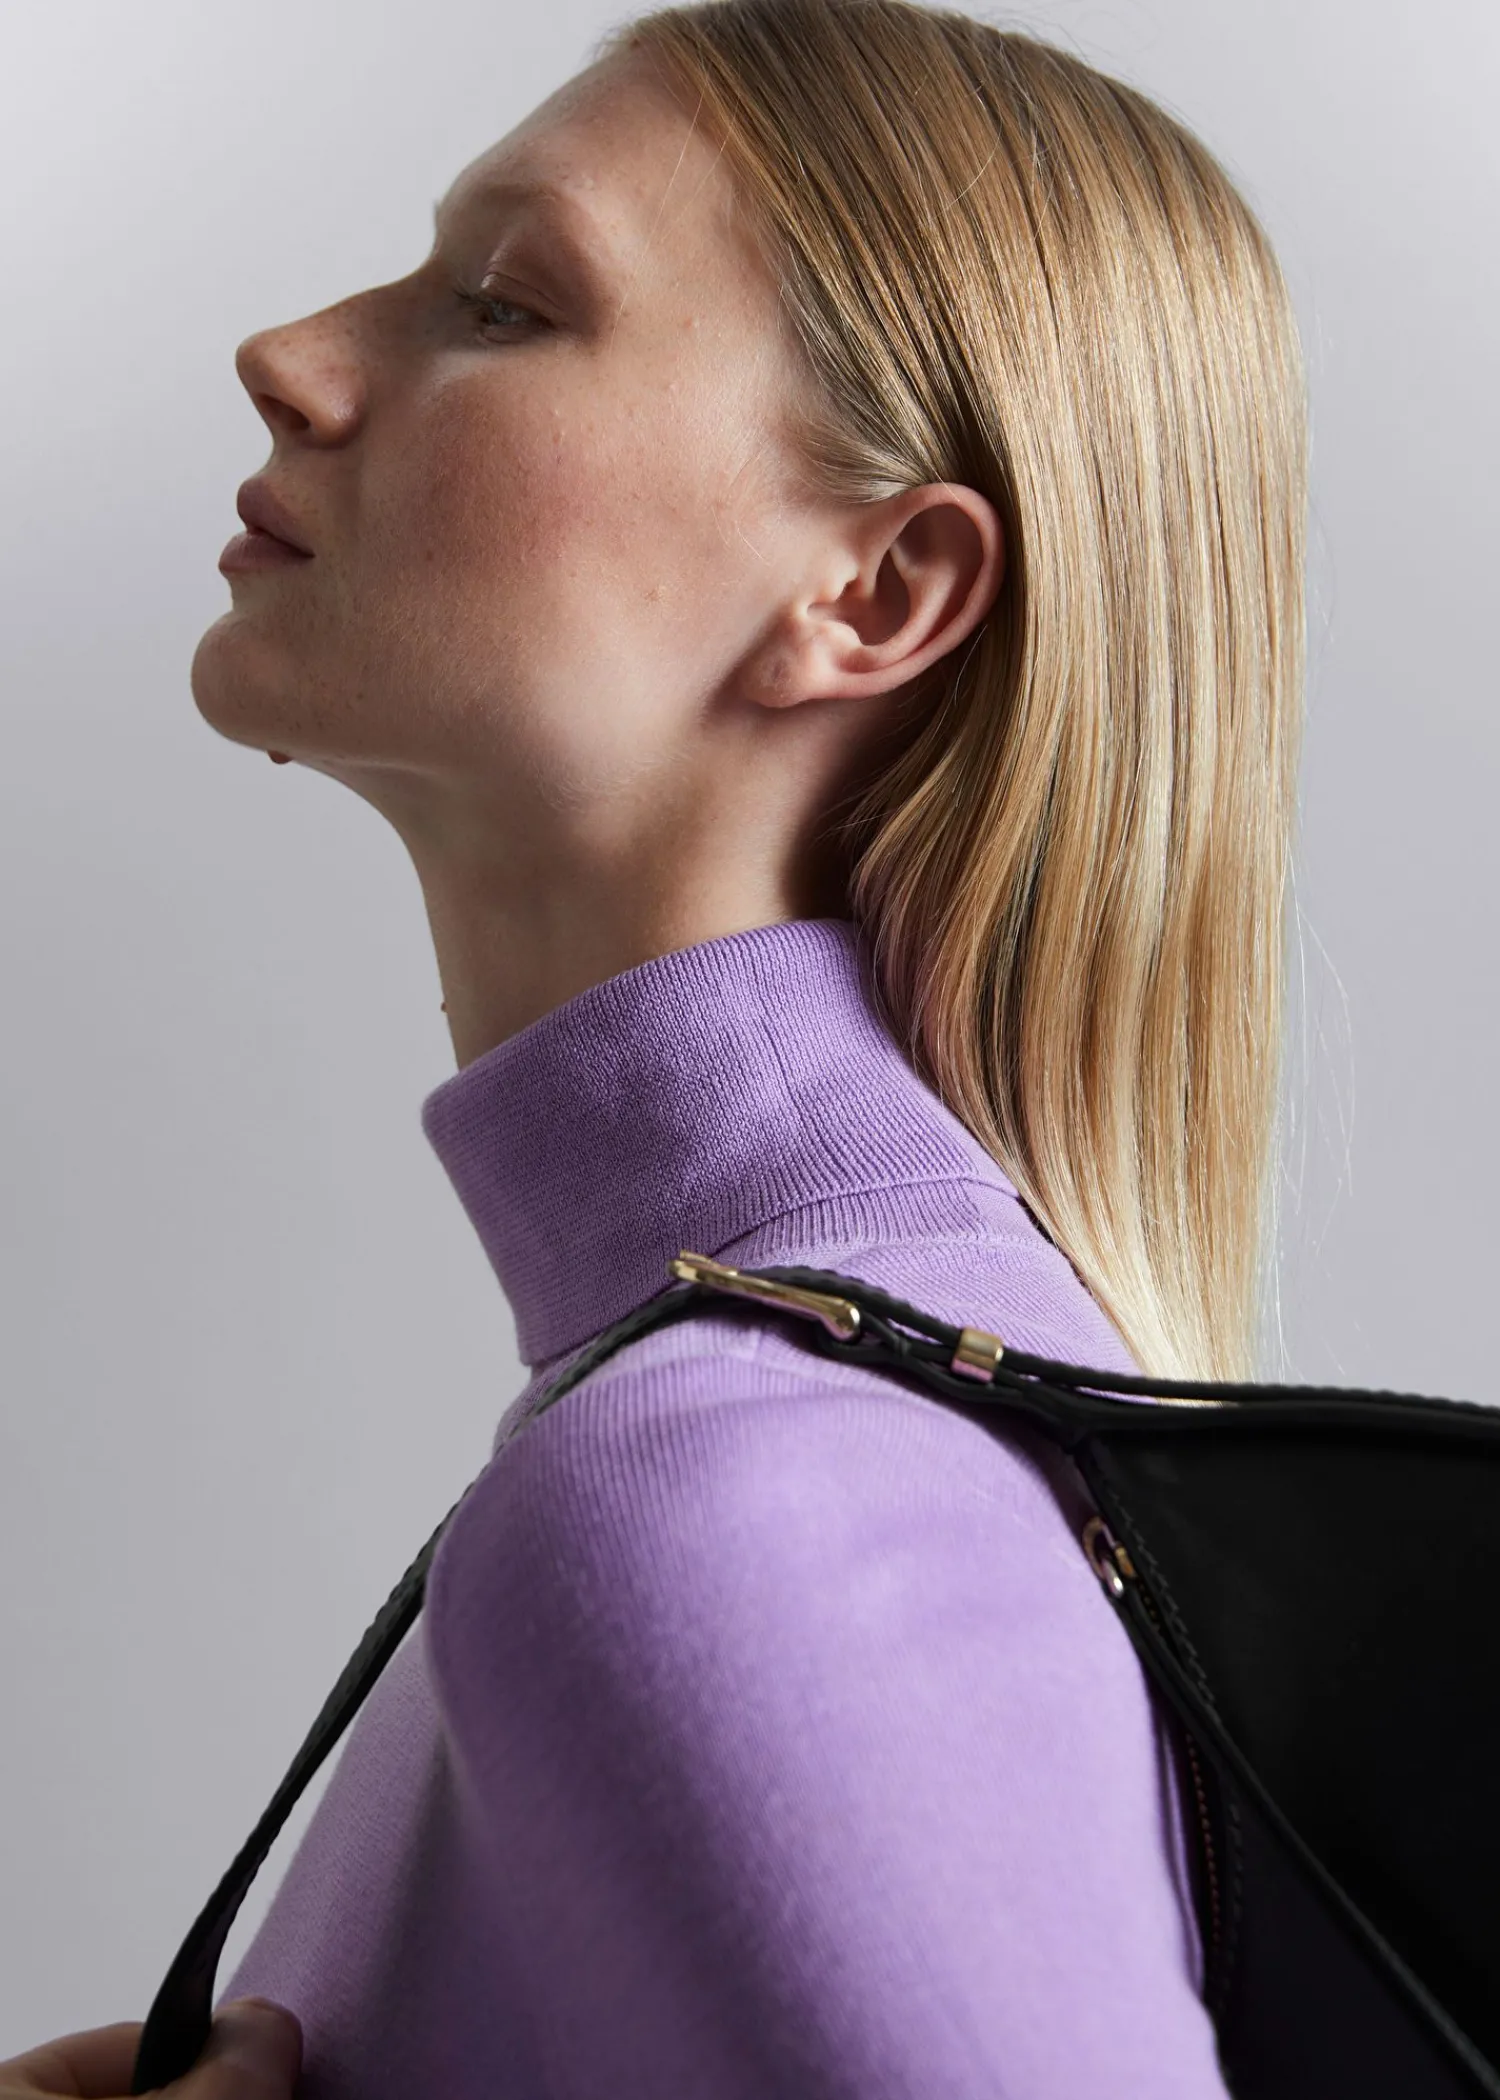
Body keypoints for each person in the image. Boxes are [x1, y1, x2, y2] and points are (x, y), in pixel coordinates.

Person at [4, 0, 1305, 2092]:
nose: (291, 355)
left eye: (504, 303)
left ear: (875, 591)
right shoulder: (765, 1415)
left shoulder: (742, 1490)